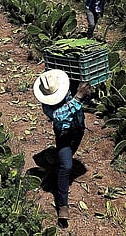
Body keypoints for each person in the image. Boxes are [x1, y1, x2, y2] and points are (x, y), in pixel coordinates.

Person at [34, 69, 88, 221]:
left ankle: (54, 169)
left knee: (67, 157)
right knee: (67, 166)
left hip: (79, 129)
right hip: (63, 135)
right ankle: (62, 205)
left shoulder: (67, 86)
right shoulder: (47, 107)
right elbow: (59, 115)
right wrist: (78, 98)